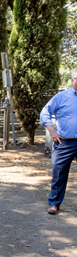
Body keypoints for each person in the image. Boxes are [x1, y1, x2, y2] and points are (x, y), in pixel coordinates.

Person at [40, 69, 77, 215]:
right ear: (73, 79)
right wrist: (52, 130)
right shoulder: (61, 97)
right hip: (64, 142)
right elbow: (45, 112)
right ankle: (54, 203)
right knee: (59, 173)